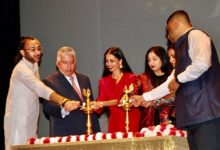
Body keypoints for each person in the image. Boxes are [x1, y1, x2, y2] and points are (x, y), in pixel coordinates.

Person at [4, 36, 79, 150]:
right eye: (33, 49)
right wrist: (64, 101)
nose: (38, 52)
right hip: (18, 124)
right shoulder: (21, 69)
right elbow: (40, 89)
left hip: (30, 122)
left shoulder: (34, 66)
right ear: (22, 53)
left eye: (39, 48)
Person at [166, 10, 220, 150]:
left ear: (174, 23)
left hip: (205, 115)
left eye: (168, 30)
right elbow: (169, 84)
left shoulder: (196, 35)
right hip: (193, 117)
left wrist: (178, 79)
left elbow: (202, 63)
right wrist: (144, 97)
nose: (168, 35)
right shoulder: (182, 45)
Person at [42, 46, 100, 136]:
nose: (69, 66)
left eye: (72, 62)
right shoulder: (49, 81)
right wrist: (64, 108)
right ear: (58, 63)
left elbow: (89, 103)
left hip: (88, 131)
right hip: (66, 133)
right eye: (65, 63)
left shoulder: (84, 79)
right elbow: (47, 107)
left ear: (75, 61)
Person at [91, 47, 141, 133]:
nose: (109, 64)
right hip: (114, 121)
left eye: (112, 61)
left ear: (120, 61)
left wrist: (102, 103)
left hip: (130, 119)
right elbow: (101, 100)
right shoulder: (103, 81)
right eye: (107, 61)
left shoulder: (131, 78)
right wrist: (93, 105)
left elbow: (122, 101)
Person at [131, 44, 176, 125]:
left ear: (163, 58)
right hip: (148, 123)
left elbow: (173, 97)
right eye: (149, 60)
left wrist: (146, 99)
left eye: (154, 59)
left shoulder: (172, 76)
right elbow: (130, 95)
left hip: (170, 121)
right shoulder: (142, 78)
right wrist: (139, 101)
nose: (151, 62)